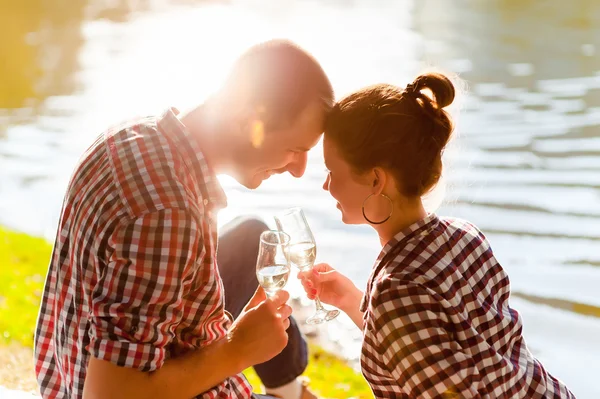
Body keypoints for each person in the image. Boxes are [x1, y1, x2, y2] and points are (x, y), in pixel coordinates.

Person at [34, 39, 334, 399]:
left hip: (65, 376)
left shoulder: (131, 134)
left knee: (251, 236)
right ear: (246, 120)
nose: (300, 170)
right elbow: (112, 394)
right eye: (295, 150)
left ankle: (287, 389)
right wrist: (238, 347)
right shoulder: (167, 213)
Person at [298, 72, 575, 398]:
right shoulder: (465, 237)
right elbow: (433, 342)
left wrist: (376, 302)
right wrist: (348, 298)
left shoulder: (396, 289)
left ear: (375, 180)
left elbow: (413, 326)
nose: (326, 185)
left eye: (332, 171)